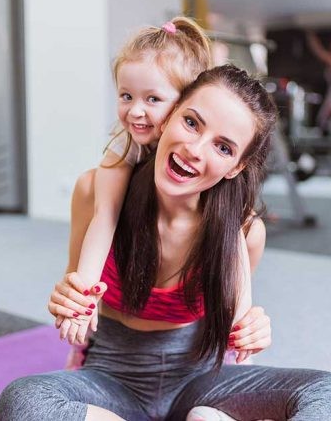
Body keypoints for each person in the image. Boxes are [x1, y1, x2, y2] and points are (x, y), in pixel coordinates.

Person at [0, 65, 331, 420]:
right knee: (23, 399)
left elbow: (233, 322)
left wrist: (250, 329)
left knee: (327, 391)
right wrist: (68, 299)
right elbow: (76, 292)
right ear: (167, 118)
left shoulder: (245, 232)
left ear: (236, 167)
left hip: (201, 382)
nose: (195, 149)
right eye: (192, 122)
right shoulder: (95, 192)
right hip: (110, 380)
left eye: (223, 147)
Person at [56, 17, 213, 344]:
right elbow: (105, 217)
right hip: (129, 257)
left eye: (152, 99)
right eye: (126, 96)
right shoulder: (124, 146)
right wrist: (83, 298)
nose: (135, 112)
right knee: (91, 184)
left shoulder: (199, 154)